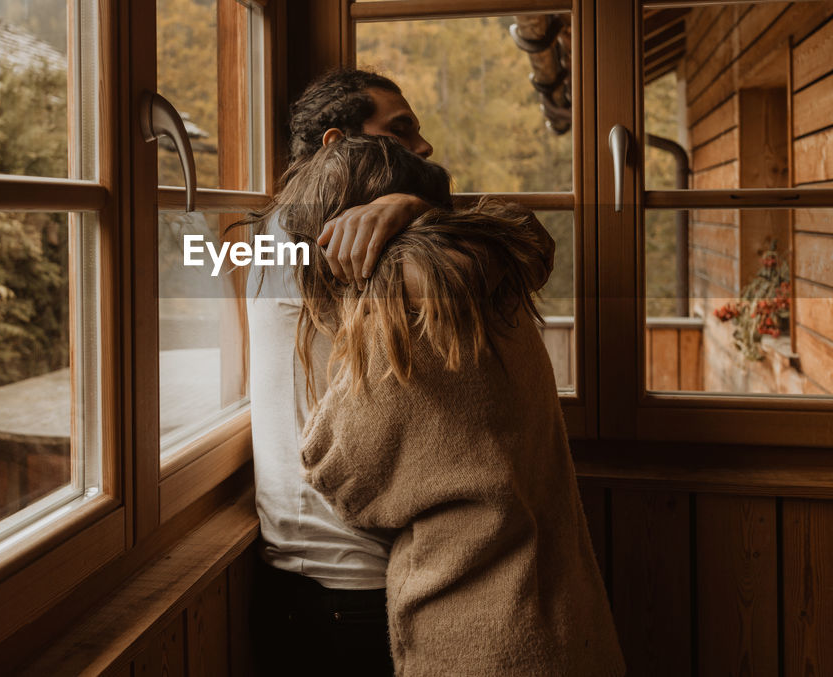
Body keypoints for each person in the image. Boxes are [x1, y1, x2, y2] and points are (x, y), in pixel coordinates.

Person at [284, 136, 624, 677]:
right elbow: (522, 231)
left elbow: (340, 476)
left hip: (475, 636)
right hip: (566, 614)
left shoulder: (398, 329)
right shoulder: (497, 284)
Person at [246, 69, 437, 676]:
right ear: (337, 146)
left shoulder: (294, 233)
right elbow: (510, 254)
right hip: (340, 583)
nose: (423, 146)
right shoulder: (305, 240)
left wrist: (408, 199)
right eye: (400, 130)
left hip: (340, 576)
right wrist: (414, 200)